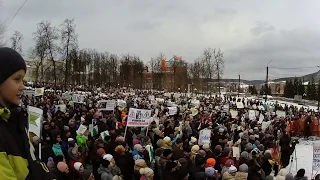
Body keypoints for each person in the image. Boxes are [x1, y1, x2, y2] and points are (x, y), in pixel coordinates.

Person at [0, 47, 52, 179]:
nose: (23, 86)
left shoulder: (16, 121)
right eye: (17, 79)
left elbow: (34, 164)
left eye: (22, 80)